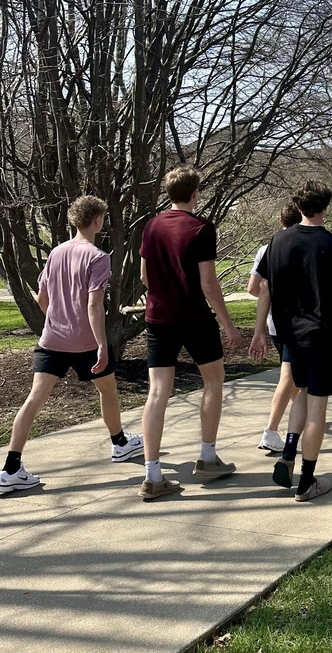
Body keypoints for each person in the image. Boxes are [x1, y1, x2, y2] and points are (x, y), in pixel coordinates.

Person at [1, 196, 143, 494]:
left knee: (34, 399)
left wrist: (58, 319)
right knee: (108, 390)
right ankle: (119, 443)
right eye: (102, 218)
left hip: (52, 340)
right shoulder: (98, 257)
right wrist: (102, 345)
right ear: (97, 221)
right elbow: (94, 305)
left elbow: (42, 298)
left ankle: (11, 468)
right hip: (86, 342)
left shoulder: (56, 253)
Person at [250, 180, 332, 502]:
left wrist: (260, 330)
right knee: (318, 406)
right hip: (323, 335)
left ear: (298, 207)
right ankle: (307, 481)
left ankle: (289, 454)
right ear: (325, 207)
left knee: (300, 392)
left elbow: (265, 290)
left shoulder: (277, 242)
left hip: (290, 334)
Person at [139, 166, 242, 500]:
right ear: (195, 193)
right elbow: (208, 283)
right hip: (195, 317)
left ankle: (153, 476)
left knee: (157, 393)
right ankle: (208, 457)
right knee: (213, 381)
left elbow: (144, 277)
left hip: (158, 318)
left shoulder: (151, 226)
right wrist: (227, 323)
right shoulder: (201, 228)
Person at [247, 203, 302, 453]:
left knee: (293, 376)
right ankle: (270, 431)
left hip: (273, 323)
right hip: (294, 322)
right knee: (289, 376)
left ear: (280, 221)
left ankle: (302, 416)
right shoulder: (300, 245)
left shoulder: (266, 249)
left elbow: (253, 288)